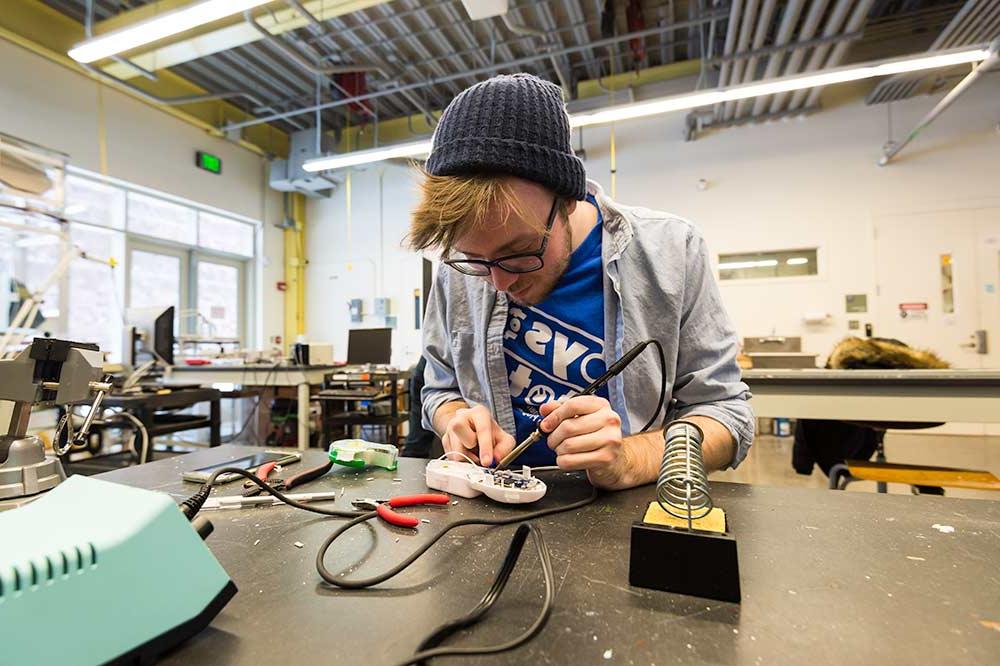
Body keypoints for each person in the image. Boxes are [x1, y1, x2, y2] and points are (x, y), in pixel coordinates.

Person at [408, 74, 753, 490]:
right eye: (478, 261)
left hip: (620, 517)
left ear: (567, 198)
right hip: (488, 510)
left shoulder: (672, 251)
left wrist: (631, 458)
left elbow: (725, 414)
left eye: (519, 252)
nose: (498, 282)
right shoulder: (459, 265)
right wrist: (455, 419)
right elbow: (438, 389)